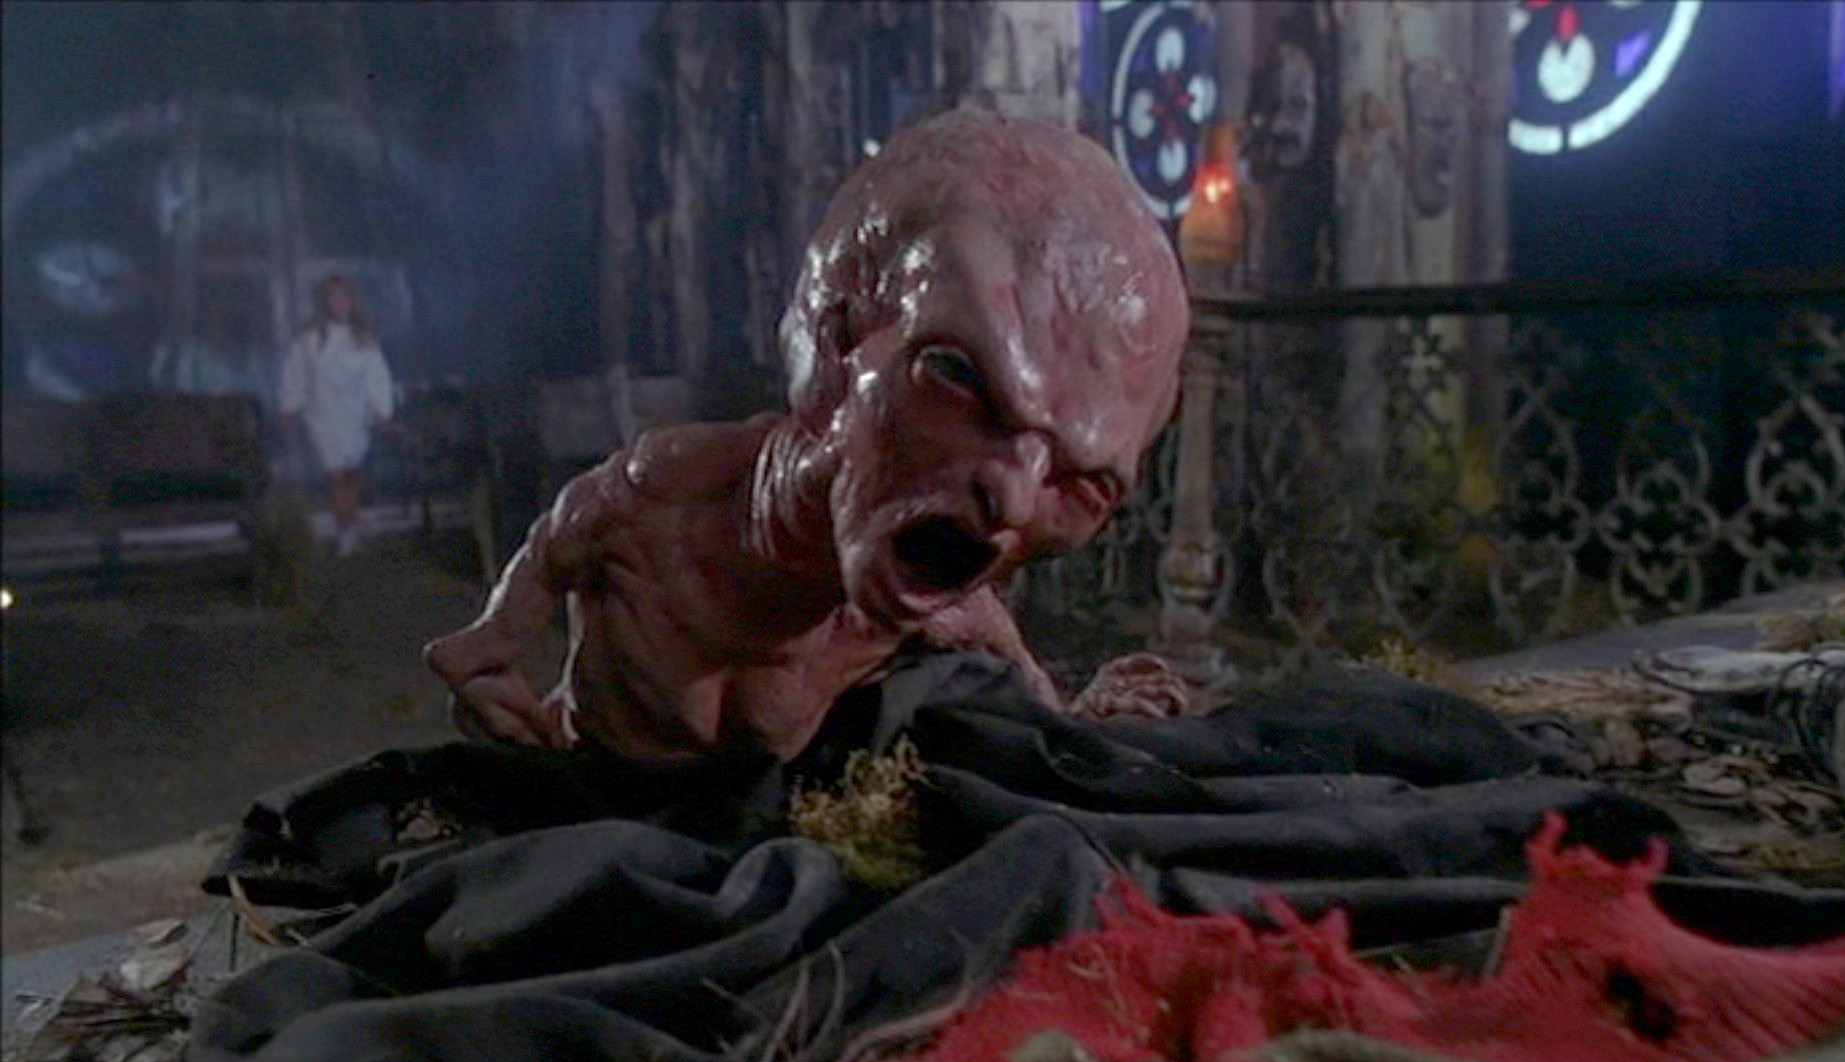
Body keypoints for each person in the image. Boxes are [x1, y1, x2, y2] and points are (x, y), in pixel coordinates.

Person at [423, 108, 1196, 763]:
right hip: (590, 786)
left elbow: (1030, 693)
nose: (1015, 498)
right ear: (839, 338)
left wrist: (1079, 717)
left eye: (1079, 483)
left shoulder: (935, 606)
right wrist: (490, 672)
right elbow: (503, 616)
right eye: (958, 379)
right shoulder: (666, 495)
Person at [277, 274, 398, 557]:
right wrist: (289, 408)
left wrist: (383, 412)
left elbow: (376, 378)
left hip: (354, 415)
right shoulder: (309, 340)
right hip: (323, 415)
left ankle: (351, 530)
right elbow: (296, 374)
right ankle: (344, 533)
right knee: (335, 476)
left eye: (342, 297)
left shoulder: (362, 340)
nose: (337, 303)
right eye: (332, 297)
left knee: (351, 476)